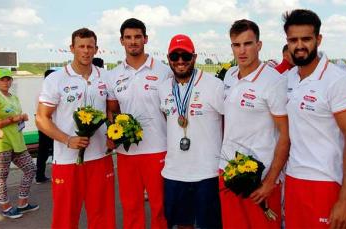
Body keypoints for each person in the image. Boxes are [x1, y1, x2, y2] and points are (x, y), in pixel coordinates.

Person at [283, 9, 346, 229]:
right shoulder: (289, 78)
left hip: (326, 183)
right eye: (293, 40)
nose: (299, 45)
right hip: (293, 180)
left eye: (306, 39)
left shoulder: (337, 80)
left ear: (318, 39)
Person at [36, 28, 116, 229]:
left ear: (96, 49)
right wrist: (67, 139)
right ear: (72, 48)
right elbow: (41, 118)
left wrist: (113, 134)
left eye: (90, 47)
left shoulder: (106, 77)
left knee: (103, 218)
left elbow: (111, 112)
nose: (86, 51)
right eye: (81, 46)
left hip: (100, 158)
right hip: (67, 160)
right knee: (65, 219)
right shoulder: (55, 79)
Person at [219, 19, 290, 228]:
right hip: (228, 172)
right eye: (236, 44)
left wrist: (270, 181)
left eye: (248, 43)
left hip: (260, 178)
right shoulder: (230, 76)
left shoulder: (274, 81)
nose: (242, 50)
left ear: (258, 45)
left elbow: (285, 135)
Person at [106, 18, 171, 229]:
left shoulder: (163, 71)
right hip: (127, 154)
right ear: (121, 41)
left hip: (158, 149)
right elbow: (113, 111)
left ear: (145, 39)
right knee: (131, 206)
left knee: (160, 206)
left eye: (137, 37)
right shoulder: (113, 75)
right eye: (128, 37)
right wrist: (113, 133)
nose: (133, 41)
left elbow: (172, 112)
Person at [158, 34, 224, 229]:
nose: (180, 61)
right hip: (174, 171)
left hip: (207, 172)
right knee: (182, 224)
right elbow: (167, 118)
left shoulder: (214, 85)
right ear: (168, 59)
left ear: (194, 58)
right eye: (175, 56)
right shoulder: (163, 88)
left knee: (209, 225)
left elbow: (229, 121)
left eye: (185, 56)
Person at [0, 68, 38, 219]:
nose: (5, 82)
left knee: (30, 169)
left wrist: (22, 117)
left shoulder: (14, 97)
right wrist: (12, 119)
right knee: (1, 177)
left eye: (8, 79)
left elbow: (16, 117)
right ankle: (6, 207)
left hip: (17, 142)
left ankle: (22, 203)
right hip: (2, 143)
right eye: (2, 79)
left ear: (11, 80)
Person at [35, 69, 55, 184]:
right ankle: (44, 175)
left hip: (42, 126)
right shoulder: (46, 92)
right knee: (54, 150)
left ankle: (40, 176)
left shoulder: (40, 90)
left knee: (42, 151)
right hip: (48, 125)